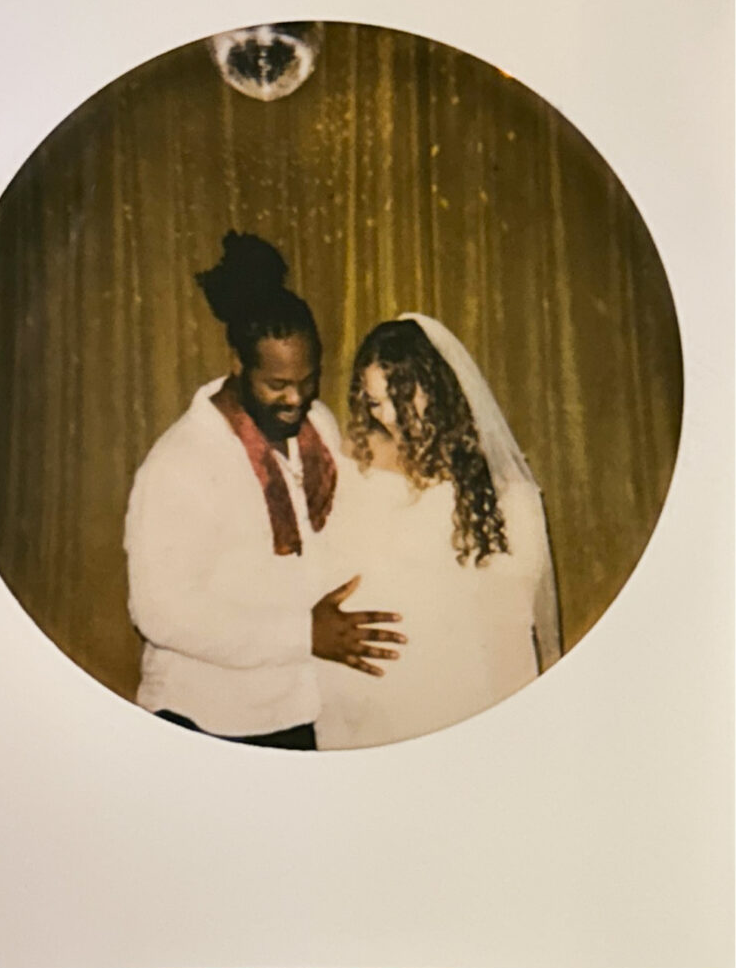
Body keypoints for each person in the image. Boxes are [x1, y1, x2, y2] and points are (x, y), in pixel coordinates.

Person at [124, 231, 405, 750]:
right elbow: (159, 610)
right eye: (276, 385)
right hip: (211, 716)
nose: (295, 399)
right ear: (237, 363)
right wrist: (304, 635)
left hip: (305, 707)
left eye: (308, 379)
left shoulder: (316, 423)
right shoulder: (181, 462)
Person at [315, 313, 562, 750]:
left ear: (439, 387)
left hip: (450, 686)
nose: (388, 416)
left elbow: (513, 622)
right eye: (374, 402)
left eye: (400, 397)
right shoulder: (355, 464)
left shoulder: (503, 494)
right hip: (367, 692)